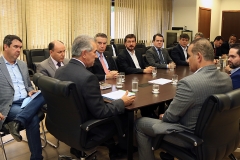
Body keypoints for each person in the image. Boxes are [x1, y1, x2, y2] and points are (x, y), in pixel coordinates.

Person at [135, 38, 232, 160]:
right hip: (217, 134)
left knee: (140, 123)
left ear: (199, 57)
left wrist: (164, 116)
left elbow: (170, 118)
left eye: (189, 56)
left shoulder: (189, 83)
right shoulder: (226, 78)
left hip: (189, 136)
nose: (187, 60)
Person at [54, 35, 136, 159]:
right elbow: (101, 112)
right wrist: (121, 102)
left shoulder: (60, 71)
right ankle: (120, 149)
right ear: (84, 53)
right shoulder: (88, 77)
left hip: (63, 125)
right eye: (94, 52)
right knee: (124, 116)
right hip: (86, 128)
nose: (96, 56)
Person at [0, 35, 46, 160]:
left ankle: (16, 122)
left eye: (20, 47)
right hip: (10, 105)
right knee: (33, 119)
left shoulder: (22, 64)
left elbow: (27, 85)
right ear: (5, 46)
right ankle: (37, 158)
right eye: (15, 47)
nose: (19, 50)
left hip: (27, 101)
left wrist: (31, 91)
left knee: (45, 92)